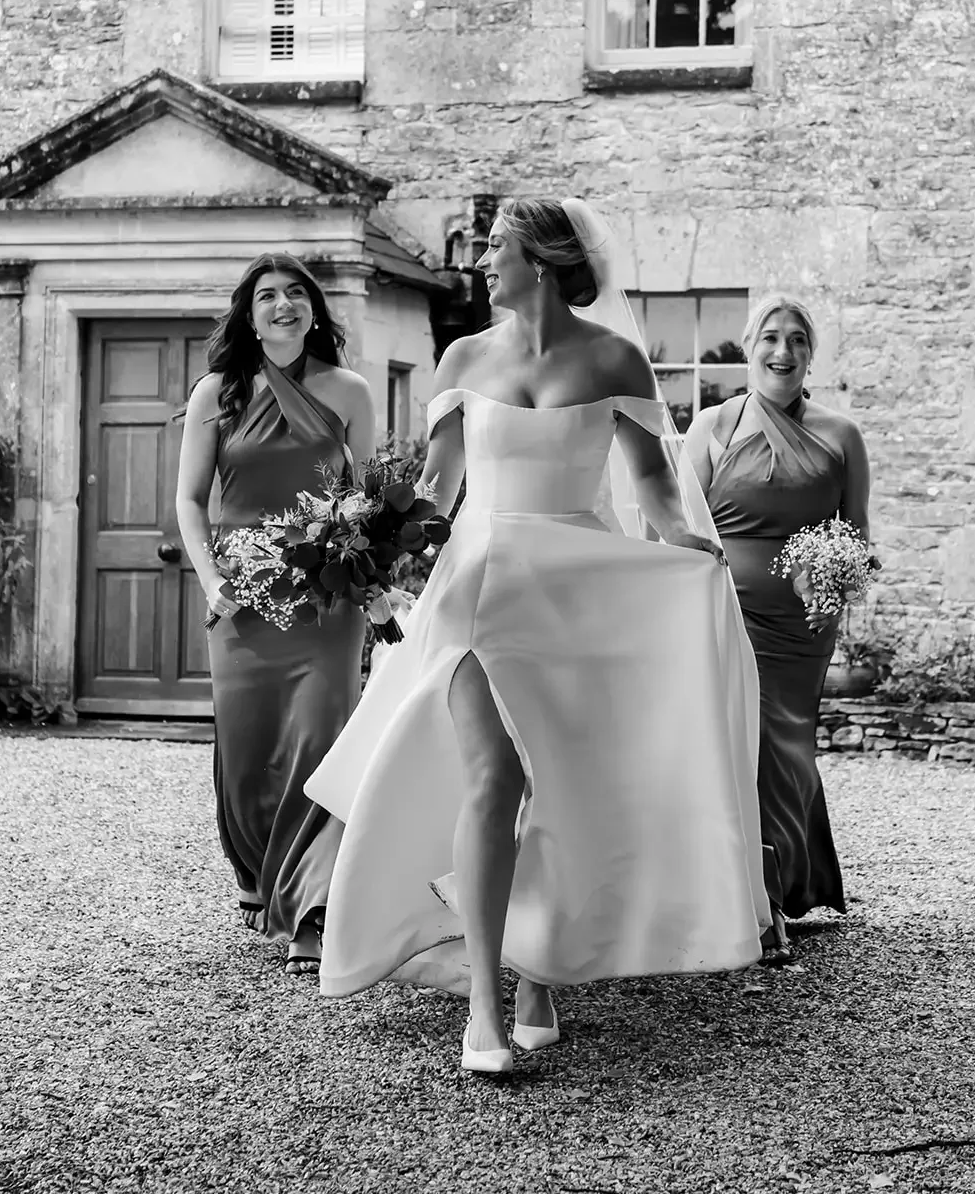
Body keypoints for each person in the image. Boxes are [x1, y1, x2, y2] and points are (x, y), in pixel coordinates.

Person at [304, 198, 769, 1074]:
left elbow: (657, 496)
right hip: (477, 589)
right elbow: (436, 495)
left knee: (558, 788)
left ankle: (537, 968)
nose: (481, 261)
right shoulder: (464, 356)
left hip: (575, 595)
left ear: (545, 262)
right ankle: (483, 1000)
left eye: (495, 248)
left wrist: (692, 555)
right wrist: (363, 544)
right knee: (494, 776)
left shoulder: (615, 358)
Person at [176, 253, 374, 973]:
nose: (283, 305)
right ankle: (263, 873)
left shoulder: (348, 390)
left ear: (313, 309)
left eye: (295, 293)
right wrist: (208, 577)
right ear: (249, 314)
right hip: (243, 591)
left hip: (325, 593)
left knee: (320, 736)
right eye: (268, 296)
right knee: (250, 746)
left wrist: (365, 556)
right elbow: (188, 500)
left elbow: (364, 493)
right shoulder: (218, 392)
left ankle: (312, 906)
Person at [683, 295, 871, 961]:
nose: (781, 351)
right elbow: (679, 533)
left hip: (802, 627)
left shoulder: (841, 435)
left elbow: (859, 539)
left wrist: (833, 577)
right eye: (769, 337)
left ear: (810, 352)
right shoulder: (710, 427)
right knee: (744, 751)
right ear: (746, 345)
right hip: (724, 617)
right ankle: (756, 907)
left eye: (796, 339)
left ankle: (787, 884)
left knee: (787, 752)